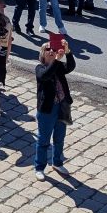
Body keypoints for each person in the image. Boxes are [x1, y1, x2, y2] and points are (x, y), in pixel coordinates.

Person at [34, 37, 75, 181]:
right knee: (43, 140)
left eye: (53, 49)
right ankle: (39, 167)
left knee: (60, 138)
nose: (51, 51)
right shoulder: (40, 68)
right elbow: (45, 76)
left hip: (61, 107)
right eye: (47, 49)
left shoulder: (58, 66)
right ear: (42, 54)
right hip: (47, 110)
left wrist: (68, 52)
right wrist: (57, 60)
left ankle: (57, 162)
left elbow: (70, 67)